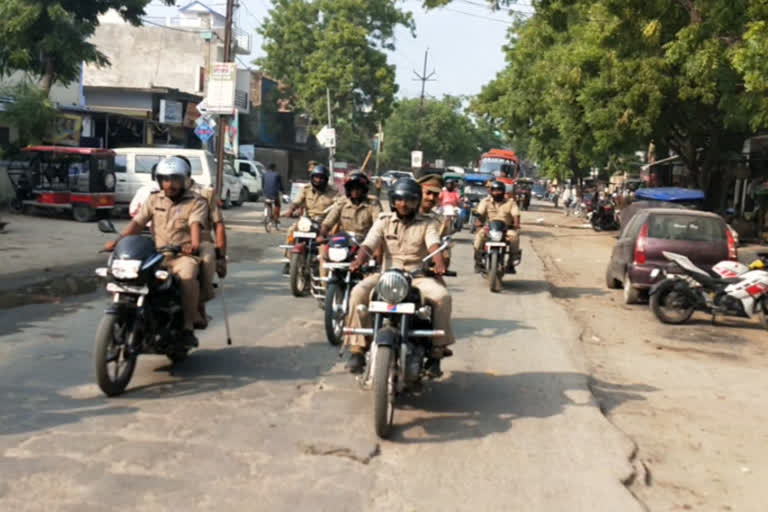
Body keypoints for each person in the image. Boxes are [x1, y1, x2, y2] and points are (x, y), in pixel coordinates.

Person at [344, 178, 453, 376]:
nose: (404, 204)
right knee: (357, 292)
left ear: (417, 201)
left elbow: (433, 244)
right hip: (386, 275)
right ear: (393, 201)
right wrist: (358, 260)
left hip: (417, 276)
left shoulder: (427, 223)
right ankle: (357, 349)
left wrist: (438, 263)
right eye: (399, 200)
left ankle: (437, 352)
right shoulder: (383, 221)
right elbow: (369, 243)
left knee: (442, 297)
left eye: (409, 200)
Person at [103, 156, 208, 347]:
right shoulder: (153, 199)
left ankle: (187, 326)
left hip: (182, 255)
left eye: (175, 179)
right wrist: (117, 241)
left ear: (184, 179)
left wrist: (192, 244)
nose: (169, 185)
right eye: (165, 180)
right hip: (157, 255)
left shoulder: (196, 202)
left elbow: (195, 225)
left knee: (187, 276)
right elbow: (137, 223)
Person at [177, 156, 227, 329]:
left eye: (175, 176)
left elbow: (218, 225)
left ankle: (198, 307)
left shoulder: (205, 194)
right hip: (170, 242)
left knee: (202, 265)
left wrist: (221, 256)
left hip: (199, 243)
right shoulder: (160, 194)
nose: (169, 182)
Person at [283, 164, 338, 273]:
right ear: (312, 178)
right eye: (316, 177)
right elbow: (297, 201)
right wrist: (291, 210)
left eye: (322, 178)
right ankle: (289, 260)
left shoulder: (333, 191)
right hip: (307, 221)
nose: (318, 180)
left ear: (326, 179)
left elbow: (339, 206)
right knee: (291, 232)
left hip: (324, 222)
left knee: (332, 240)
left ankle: (330, 266)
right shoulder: (306, 189)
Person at [473, 180, 521, 273]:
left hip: (506, 229)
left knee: (514, 237)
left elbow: (516, 214)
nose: (497, 192)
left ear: (503, 191)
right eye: (494, 190)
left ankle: (511, 263)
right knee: (479, 237)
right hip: (489, 228)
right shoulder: (485, 201)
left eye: (499, 190)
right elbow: (480, 213)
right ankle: (478, 262)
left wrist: (516, 224)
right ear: (491, 191)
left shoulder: (510, 202)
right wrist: (478, 222)